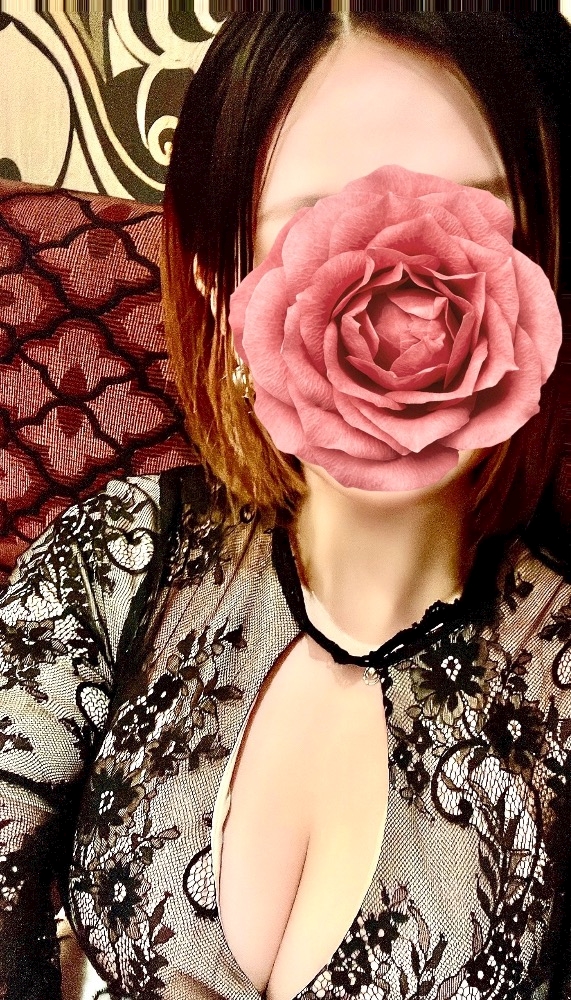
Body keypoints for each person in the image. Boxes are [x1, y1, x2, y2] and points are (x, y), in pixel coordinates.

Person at [1, 11, 571, 1000]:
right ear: (218, 281)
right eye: (321, 223)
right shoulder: (113, 565)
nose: (401, 292)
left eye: (472, 216)